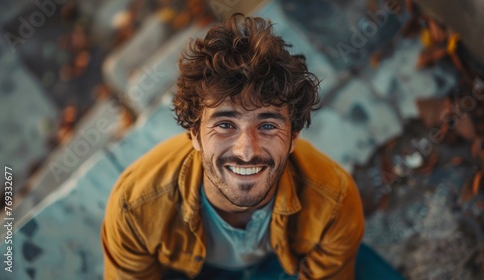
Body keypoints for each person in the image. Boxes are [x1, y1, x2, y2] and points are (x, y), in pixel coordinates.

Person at [102, 13, 399, 280]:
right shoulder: (135, 206)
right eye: (225, 125)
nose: (246, 151)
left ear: (294, 137)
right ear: (194, 134)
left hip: (285, 265)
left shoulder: (333, 200)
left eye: (268, 126)